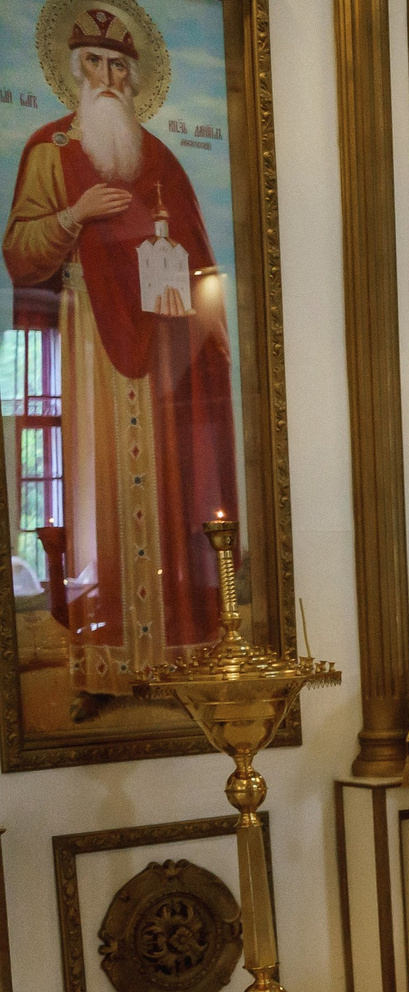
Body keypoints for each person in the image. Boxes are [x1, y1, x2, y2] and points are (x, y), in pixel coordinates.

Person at [6, 4, 237, 716]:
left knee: (167, 493)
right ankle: (100, 671)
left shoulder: (157, 158)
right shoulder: (50, 150)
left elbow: (201, 262)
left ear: (134, 79)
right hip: (88, 344)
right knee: (98, 491)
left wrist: (213, 327)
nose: (107, 78)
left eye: (118, 67)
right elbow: (18, 252)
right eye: (94, 65)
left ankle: (166, 665)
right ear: (75, 71)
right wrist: (75, 216)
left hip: (162, 351)